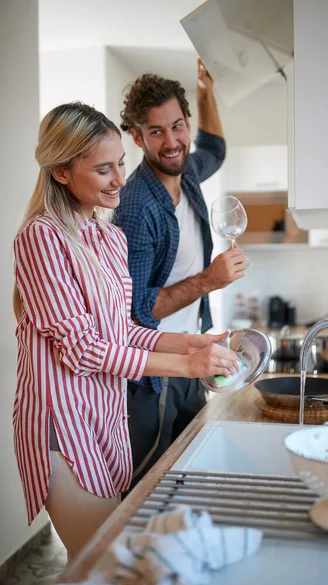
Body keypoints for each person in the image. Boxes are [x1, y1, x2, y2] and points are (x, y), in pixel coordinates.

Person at [12, 102, 239, 560]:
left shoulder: (109, 237)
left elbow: (123, 332)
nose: (120, 179)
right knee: (103, 565)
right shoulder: (41, 238)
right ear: (60, 172)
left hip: (106, 419)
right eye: (103, 169)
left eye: (120, 163)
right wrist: (185, 365)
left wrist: (192, 342)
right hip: (65, 427)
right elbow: (82, 350)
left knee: (112, 559)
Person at [115, 60, 246, 489]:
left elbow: (217, 149)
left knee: (185, 474)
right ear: (136, 137)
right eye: (156, 132)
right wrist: (210, 280)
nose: (172, 142)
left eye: (178, 126)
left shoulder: (184, 169)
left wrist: (206, 90)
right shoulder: (136, 208)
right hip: (155, 375)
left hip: (191, 358)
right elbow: (138, 310)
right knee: (148, 482)